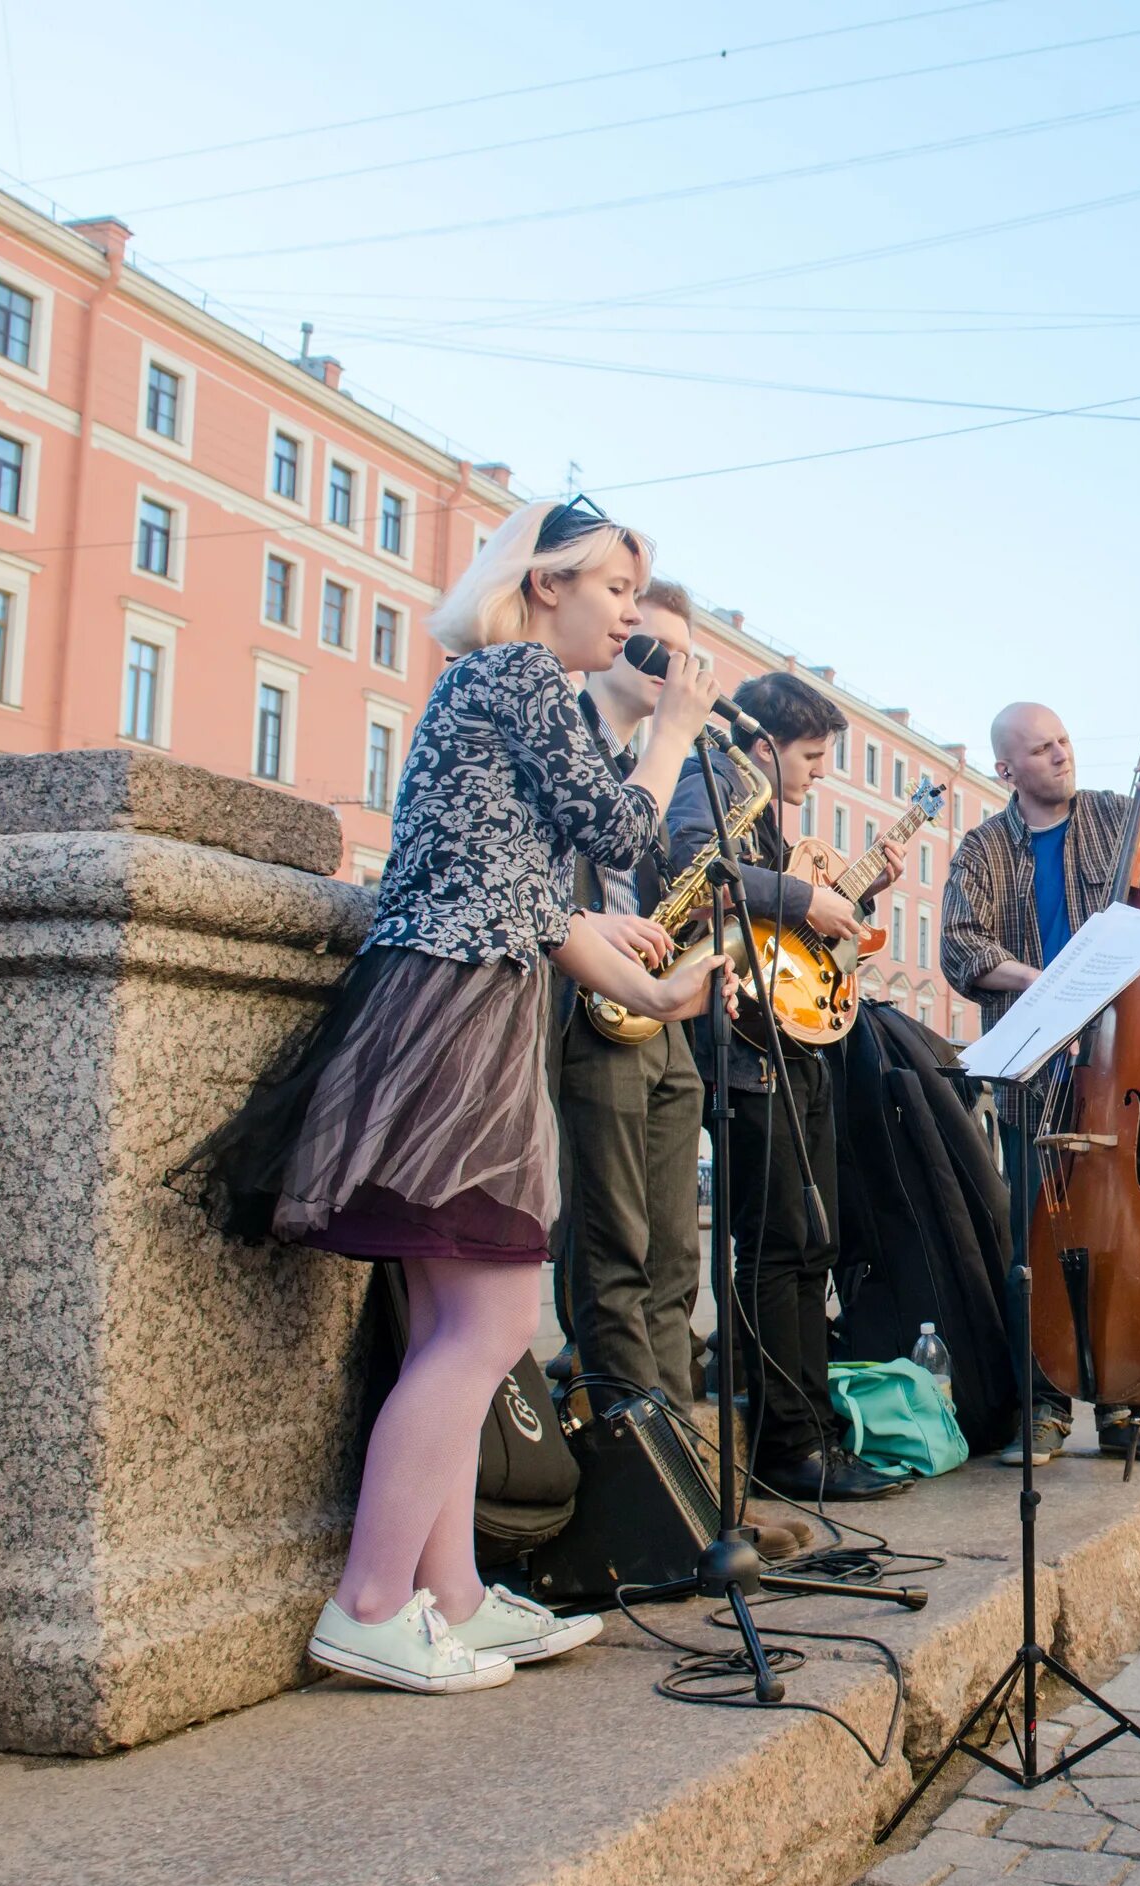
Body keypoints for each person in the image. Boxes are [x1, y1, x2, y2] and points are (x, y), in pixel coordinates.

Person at [185, 497, 725, 1694]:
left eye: (641, 597)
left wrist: (665, 991)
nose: (634, 618)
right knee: (486, 1322)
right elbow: (623, 823)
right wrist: (676, 727)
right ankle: (372, 1600)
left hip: (450, 996)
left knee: (451, 1321)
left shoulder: (491, 689)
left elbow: (536, 903)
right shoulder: (523, 679)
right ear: (545, 585)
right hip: (458, 1015)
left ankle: (453, 1594)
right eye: (618, 592)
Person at [941, 699, 1140, 1467]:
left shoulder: (1118, 819)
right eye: (1040, 750)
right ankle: (1039, 1408)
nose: (1060, 756)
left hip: (1123, 1065)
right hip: (1037, 1069)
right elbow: (960, 949)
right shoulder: (982, 848)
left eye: (1064, 741)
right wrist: (1054, 984)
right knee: (1032, 1241)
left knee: (1118, 1237)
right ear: (1007, 769)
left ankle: (1124, 1405)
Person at [674, 669, 911, 1505]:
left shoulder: (765, 809)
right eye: (810, 757)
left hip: (792, 1042)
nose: (817, 774)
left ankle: (813, 1429)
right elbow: (699, 872)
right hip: (742, 1049)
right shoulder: (705, 777)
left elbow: (790, 926)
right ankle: (785, 1445)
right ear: (765, 744)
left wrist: (850, 893)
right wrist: (808, 896)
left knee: (812, 1241)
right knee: (776, 1246)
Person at [552, 580, 708, 1418]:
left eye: (682, 656)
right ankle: (639, 1473)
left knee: (676, 1258)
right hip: (589, 1013)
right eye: (653, 647)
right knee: (614, 1253)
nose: (668, 669)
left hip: (659, 1015)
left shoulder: (657, 760)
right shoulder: (564, 737)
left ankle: (684, 1450)